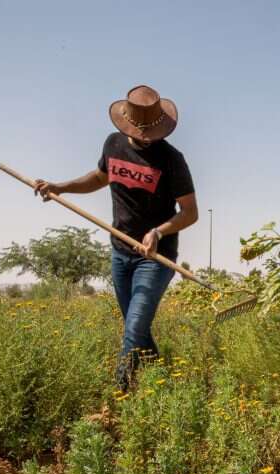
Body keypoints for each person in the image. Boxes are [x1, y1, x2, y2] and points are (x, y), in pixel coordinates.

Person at [34, 85, 198, 391]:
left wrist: (158, 231)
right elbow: (99, 177)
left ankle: (120, 391)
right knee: (136, 328)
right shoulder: (113, 144)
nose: (147, 139)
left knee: (134, 327)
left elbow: (190, 212)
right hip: (120, 252)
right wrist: (61, 187)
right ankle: (161, 385)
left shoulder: (172, 159)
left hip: (155, 258)